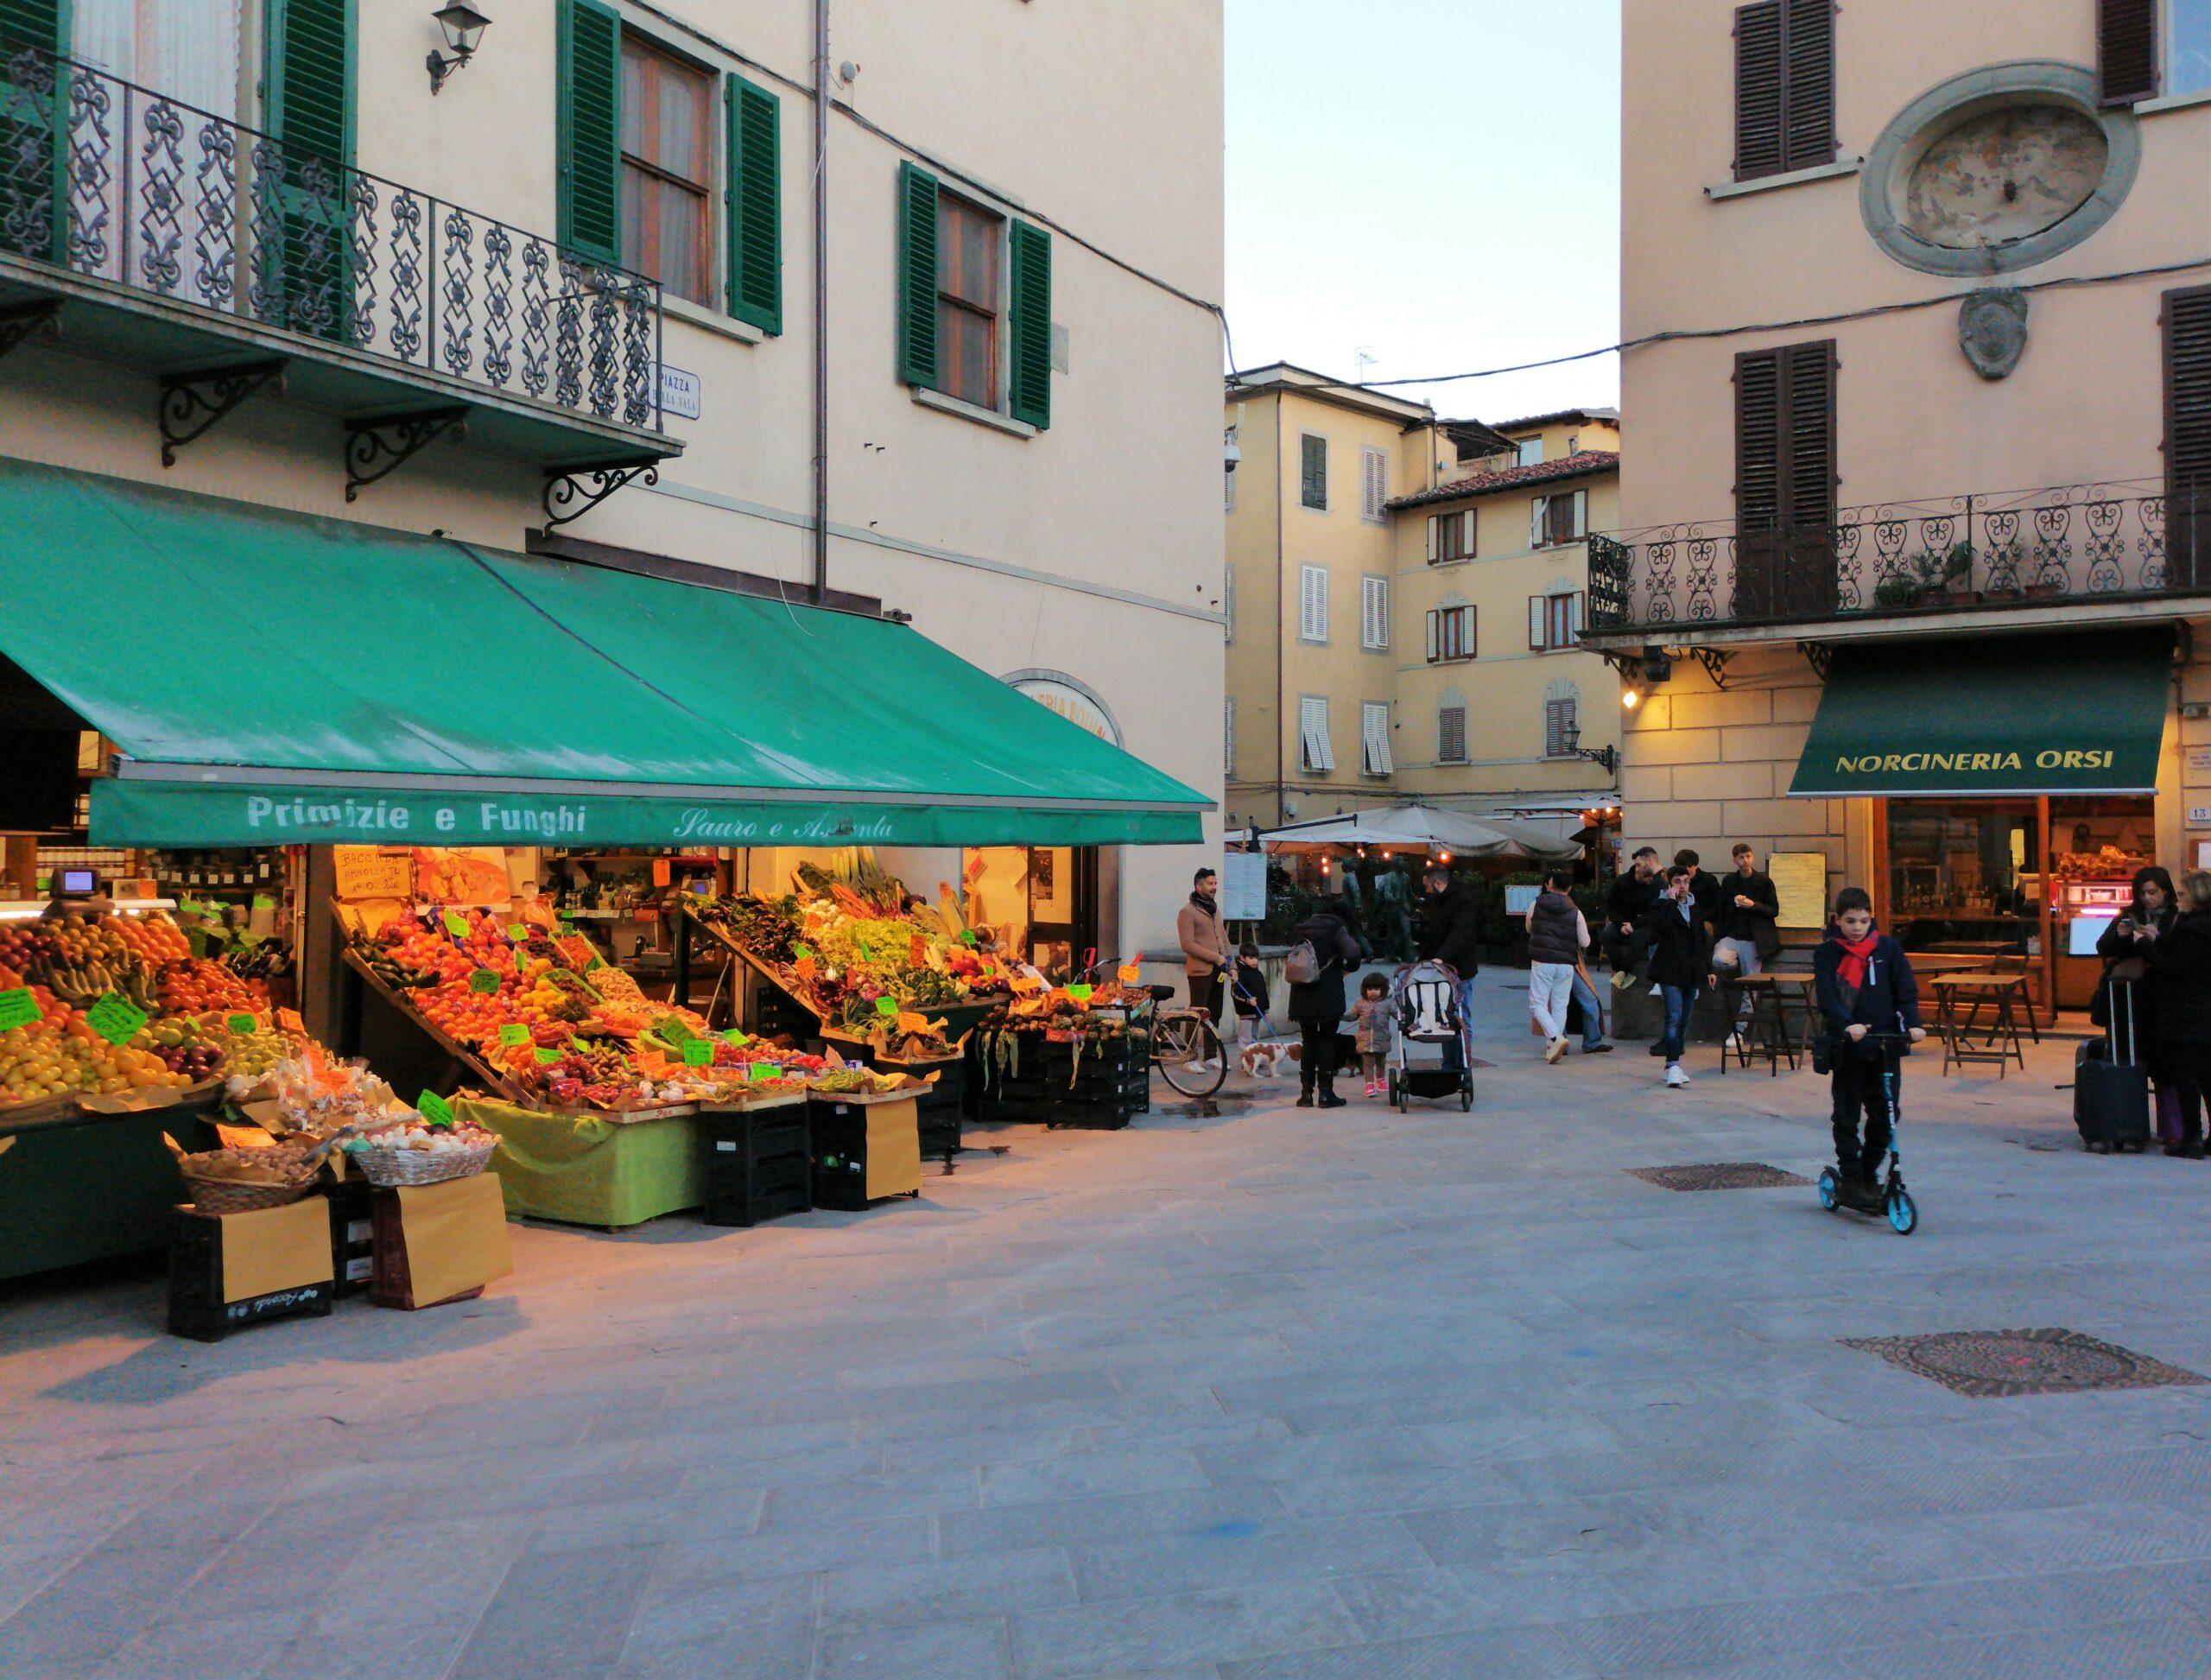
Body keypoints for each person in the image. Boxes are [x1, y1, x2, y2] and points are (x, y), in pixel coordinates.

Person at [1811, 887, 1927, 1193]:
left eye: (1863, 921)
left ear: (1871, 918)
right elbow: (1827, 997)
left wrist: (1913, 1024)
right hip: (1848, 1046)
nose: (1857, 928)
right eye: (1850, 921)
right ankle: (1850, 1175)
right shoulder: (1827, 952)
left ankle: (1867, 1170)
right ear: (1838, 920)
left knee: (1887, 1115)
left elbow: (1905, 989)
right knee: (1847, 1115)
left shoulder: (1887, 949)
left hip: (1885, 1046)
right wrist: (1848, 1024)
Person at [2096, 866, 2178, 1147]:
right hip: (2129, 1003)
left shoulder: (2176, 918)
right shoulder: (2128, 916)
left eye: (2152, 892)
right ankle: (2130, 1125)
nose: (2147, 898)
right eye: (2142, 893)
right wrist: (2121, 936)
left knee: (2167, 1068)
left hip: (2165, 1001)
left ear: (2165, 891)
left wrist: (2157, 940)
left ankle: (2172, 1130)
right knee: (2130, 1063)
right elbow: (2103, 946)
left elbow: (2179, 957)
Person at [2137, 869, 2211, 1158]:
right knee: (2207, 1075)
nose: (2180, 898)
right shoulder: (2201, 926)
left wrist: (2146, 945)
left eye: (2183, 893)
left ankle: (2191, 1138)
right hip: (2205, 1010)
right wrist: (2161, 940)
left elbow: (2177, 967)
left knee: (2187, 1077)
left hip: (2189, 1012)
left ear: (2196, 895)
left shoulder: (2194, 927)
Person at [1642, 864, 1716, 1088]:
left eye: (1686, 881)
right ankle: (1674, 1065)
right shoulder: (1661, 903)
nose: (1682, 886)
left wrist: (1709, 970)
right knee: (1674, 1016)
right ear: (1670, 883)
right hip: (1669, 970)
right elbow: (1658, 930)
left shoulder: (1694, 907)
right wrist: (1670, 902)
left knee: (1684, 1020)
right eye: (1677, 882)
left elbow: (1701, 941)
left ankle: (1670, 1065)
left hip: (1691, 971)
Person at [1289, 897, 1362, 1108]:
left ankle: (1306, 1094)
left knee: (1309, 1041)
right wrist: (1348, 967)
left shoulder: (1304, 929)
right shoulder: (1338, 929)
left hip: (1302, 994)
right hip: (1328, 993)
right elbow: (1353, 953)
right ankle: (1326, 1094)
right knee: (1327, 1041)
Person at [1713, 842, 1780, 1043]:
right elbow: (1722, 910)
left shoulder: (1764, 882)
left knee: (1752, 984)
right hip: (1732, 936)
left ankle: (1740, 1030)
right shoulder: (1729, 882)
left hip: (1754, 939)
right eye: (1741, 857)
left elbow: (1773, 910)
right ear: (1734, 859)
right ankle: (1736, 966)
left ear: (1753, 858)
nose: (1745, 861)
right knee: (1719, 961)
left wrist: (1753, 906)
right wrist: (1719, 936)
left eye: (1748, 856)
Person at [1418, 864, 1481, 1075]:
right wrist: (1422, 961)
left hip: (1460, 968)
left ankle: (1462, 1064)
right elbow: (1435, 935)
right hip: (1441, 969)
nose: (1426, 891)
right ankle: (1448, 1065)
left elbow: (1460, 933)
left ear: (1438, 883)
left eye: (1428, 886)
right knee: (1444, 1018)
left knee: (1461, 1017)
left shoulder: (1463, 901)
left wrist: (1441, 957)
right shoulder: (1439, 902)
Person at [1524, 868, 1588, 1066]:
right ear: (1570, 888)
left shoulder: (1536, 904)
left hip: (1542, 961)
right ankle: (1553, 1046)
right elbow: (1585, 942)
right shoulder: (1576, 911)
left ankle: (1555, 1039)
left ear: (1550, 885)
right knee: (1560, 1006)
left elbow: (1529, 928)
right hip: (1566, 964)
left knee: (1538, 1003)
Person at [1176, 867, 1232, 1039]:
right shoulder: (1187, 911)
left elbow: (1224, 939)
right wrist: (1216, 957)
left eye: (1215, 883)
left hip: (1219, 970)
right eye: (1210, 883)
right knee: (1198, 1013)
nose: (1214, 887)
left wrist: (1233, 967)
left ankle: (1211, 1056)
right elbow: (1187, 945)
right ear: (1198, 886)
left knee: (1215, 1014)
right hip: (1200, 970)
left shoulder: (1215, 910)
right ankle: (1190, 1056)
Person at [1604, 846, 1663, 987]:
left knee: (1639, 937)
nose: (1637, 869)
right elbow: (1611, 905)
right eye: (1636, 866)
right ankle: (1620, 970)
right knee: (1607, 934)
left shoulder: (1656, 883)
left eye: (1639, 865)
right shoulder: (1622, 882)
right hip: (1623, 922)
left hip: (1644, 925)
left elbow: (1654, 913)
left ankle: (1623, 971)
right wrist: (1620, 925)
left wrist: (1633, 926)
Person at [1351, 972, 1395, 1098]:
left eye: (1376, 989)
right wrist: (1341, 1016)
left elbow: (1398, 1015)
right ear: (1365, 990)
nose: (1373, 992)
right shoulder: (1361, 1004)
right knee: (1368, 1064)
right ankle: (1369, 1084)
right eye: (1370, 989)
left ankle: (1380, 1079)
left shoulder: (1388, 1004)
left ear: (1383, 990)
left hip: (1381, 1039)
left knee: (1381, 1062)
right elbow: (1352, 1015)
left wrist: (1407, 1017)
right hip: (1365, 1040)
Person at [1675, 848, 1722, 935]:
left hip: (1705, 921)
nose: (1685, 869)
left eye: (1688, 866)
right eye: (1682, 867)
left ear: (1696, 865)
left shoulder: (1708, 880)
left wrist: (1699, 918)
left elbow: (1718, 906)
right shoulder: (1676, 881)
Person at [1230, 938, 1271, 1030]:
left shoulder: (1258, 974)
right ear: (1242, 958)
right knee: (1245, 1039)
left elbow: (1263, 992)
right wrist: (1248, 1000)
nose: (1255, 961)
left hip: (1258, 1012)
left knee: (1255, 1039)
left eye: (1256, 958)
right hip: (1246, 1014)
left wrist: (1266, 1010)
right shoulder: (1240, 974)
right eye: (1251, 958)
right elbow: (1234, 993)